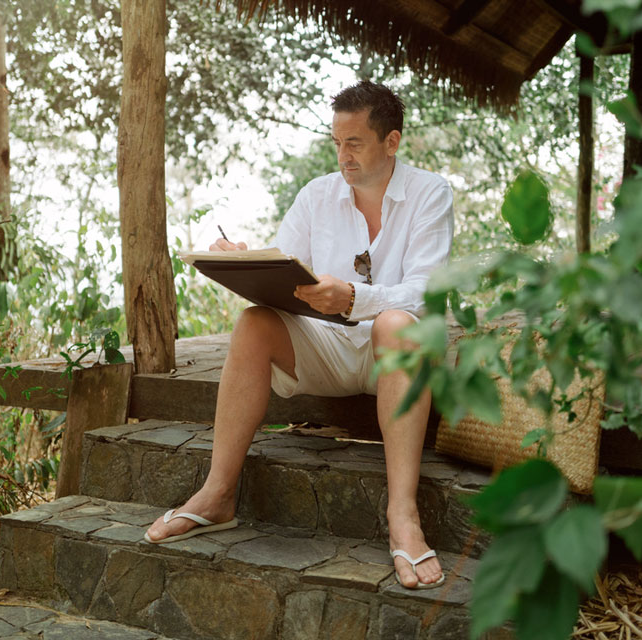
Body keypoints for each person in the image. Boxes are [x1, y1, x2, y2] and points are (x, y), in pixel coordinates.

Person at [144, 80, 454, 590]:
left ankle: (403, 515)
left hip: (400, 357)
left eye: (354, 143)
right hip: (330, 351)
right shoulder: (317, 195)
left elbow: (427, 292)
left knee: (398, 322)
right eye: (336, 142)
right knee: (254, 324)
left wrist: (355, 298)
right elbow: (285, 272)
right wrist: (243, 257)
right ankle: (218, 493)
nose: (343, 155)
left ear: (391, 141)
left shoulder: (430, 192)